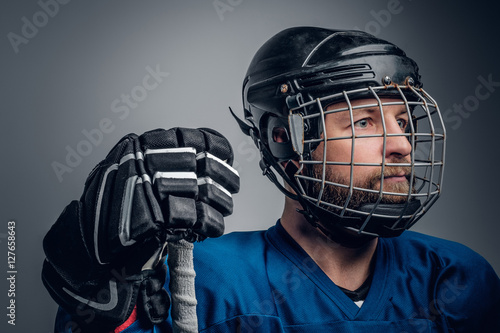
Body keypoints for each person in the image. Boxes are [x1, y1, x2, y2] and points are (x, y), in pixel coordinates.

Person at [43, 27, 500, 332]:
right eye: (364, 123)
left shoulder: (455, 278)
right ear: (285, 140)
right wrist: (92, 281)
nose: (401, 144)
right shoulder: (200, 280)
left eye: (403, 121)